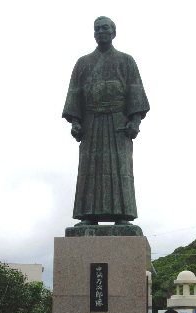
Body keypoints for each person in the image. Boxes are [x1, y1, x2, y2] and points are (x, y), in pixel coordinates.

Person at [62, 16, 149, 225]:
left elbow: (134, 91)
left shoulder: (126, 60)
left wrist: (135, 121)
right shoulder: (83, 63)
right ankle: (88, 216)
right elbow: (75, 93)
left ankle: (122, 216)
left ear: (113, 32)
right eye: (97, 28)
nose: (101, 31)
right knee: (89, 169)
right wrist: (76, 122)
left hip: (118, 122)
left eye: (105, 28)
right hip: (91, 123)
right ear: (93, 33)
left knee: (120, 168)